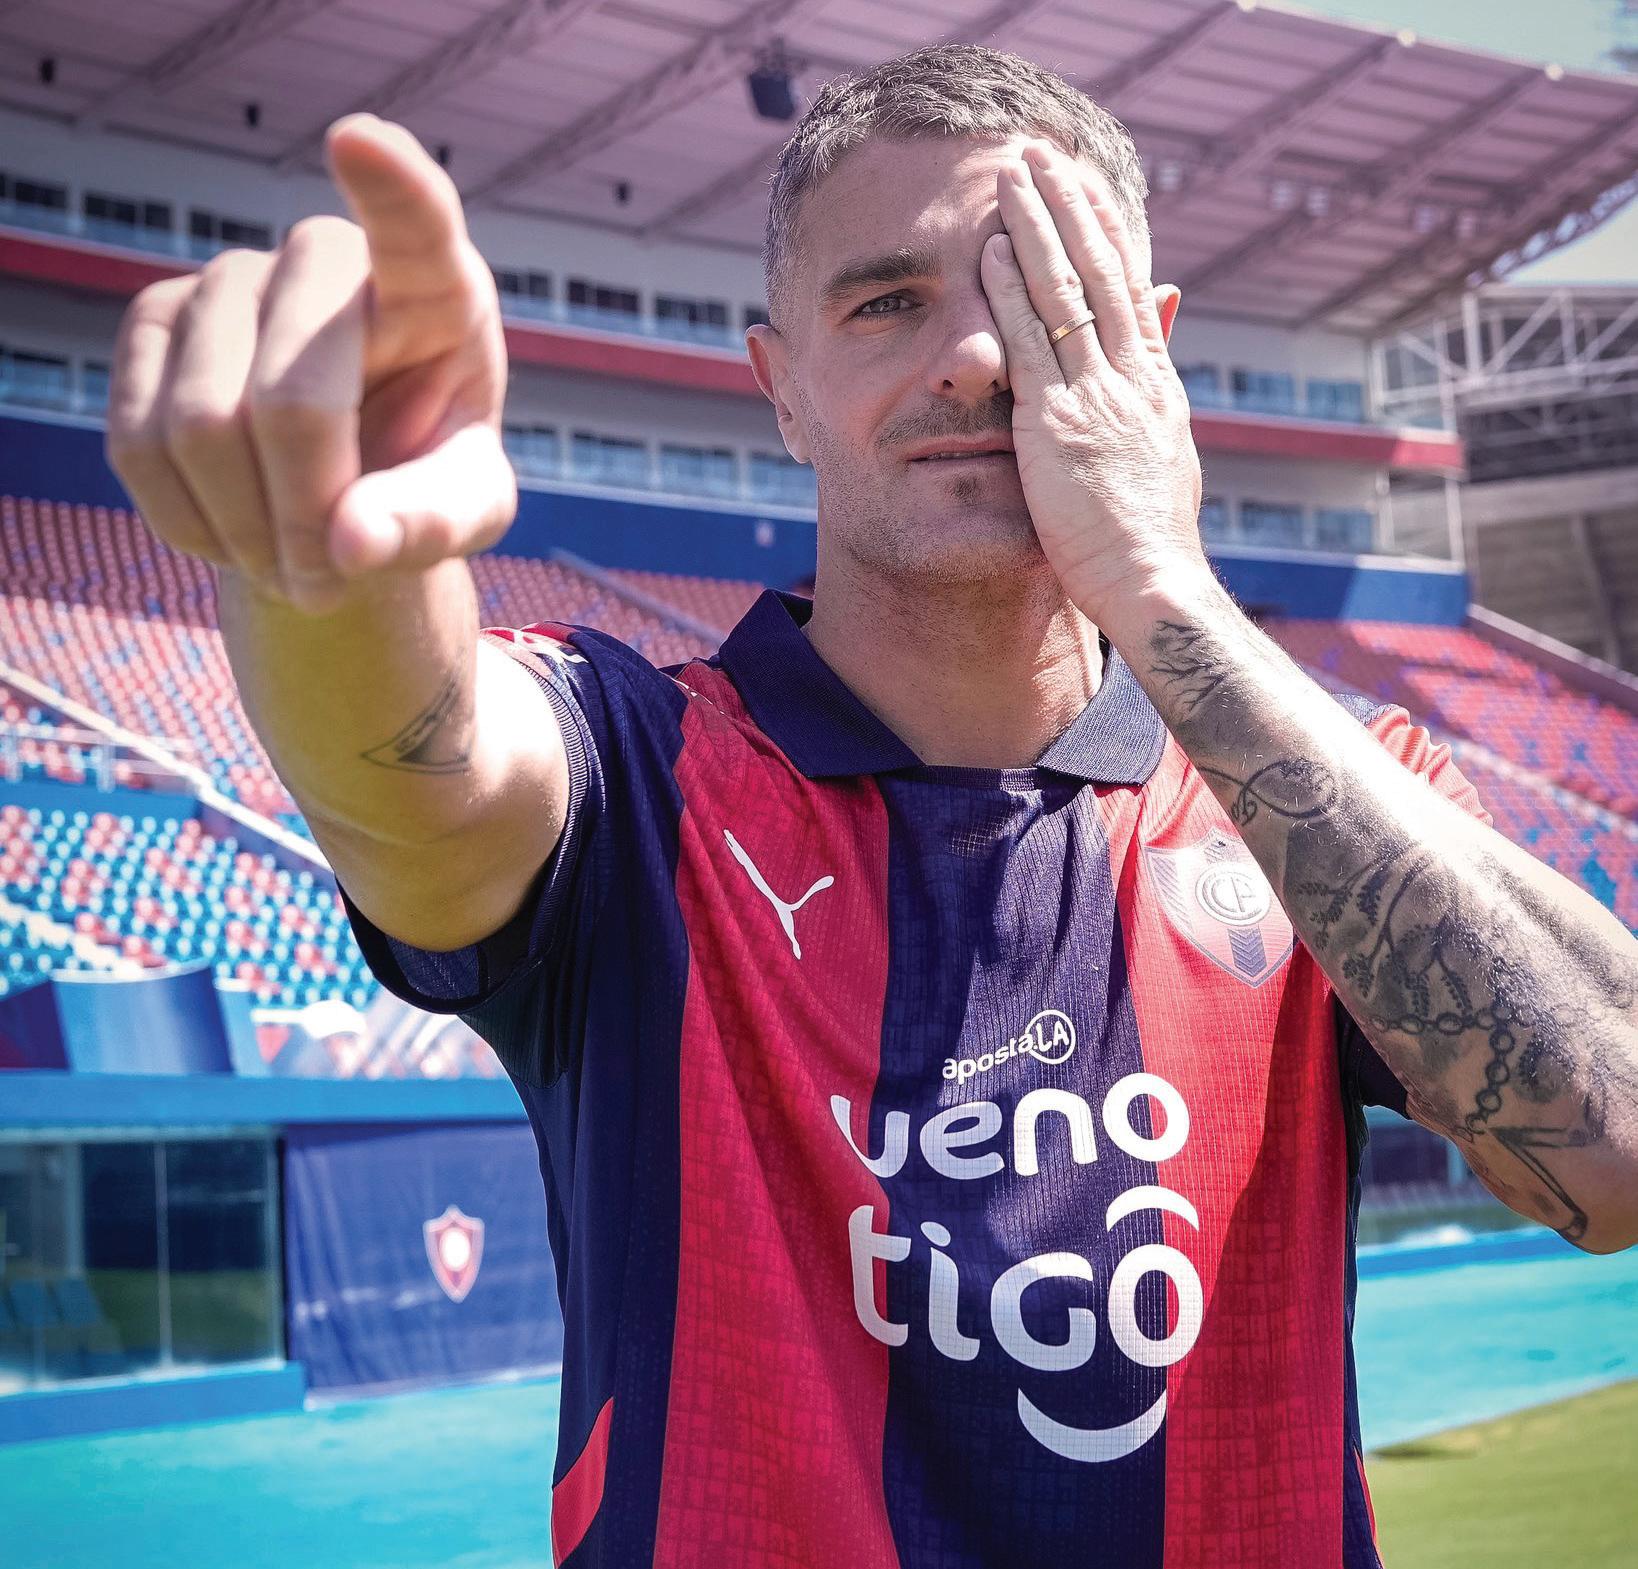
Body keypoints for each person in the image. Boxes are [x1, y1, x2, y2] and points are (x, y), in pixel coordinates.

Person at [106, 42, 1638, 1569]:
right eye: (886, 301)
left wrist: (1162, 583)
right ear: (779, 388)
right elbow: (417, 773)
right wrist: (327, 566)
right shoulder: (635, 774)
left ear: (1148, 354)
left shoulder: (1316, 800)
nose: (972, 355)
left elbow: (1614, 1151)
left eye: (1038, 294)